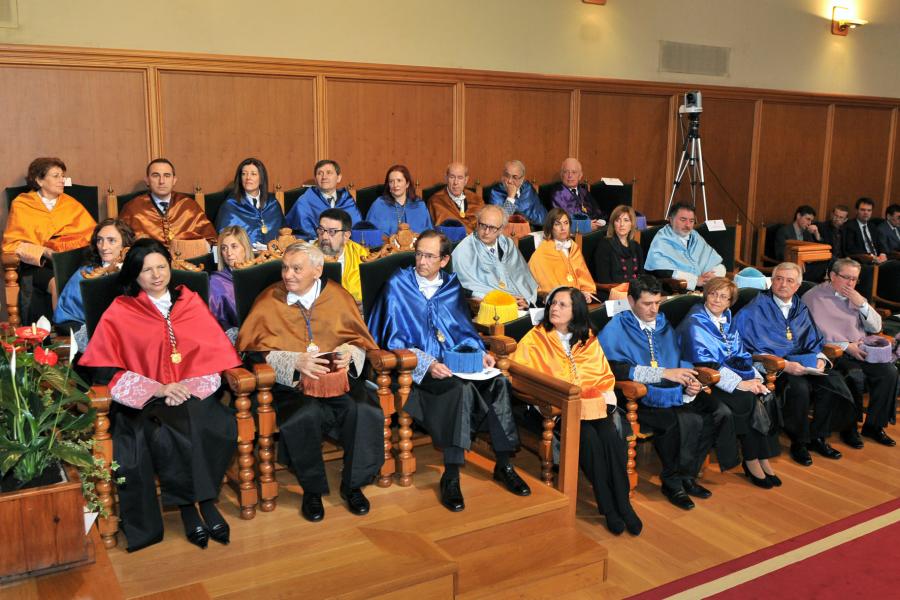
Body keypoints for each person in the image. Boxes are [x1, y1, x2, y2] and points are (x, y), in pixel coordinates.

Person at [79, 239, 241, 552]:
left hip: (191, 391)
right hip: (148, 401)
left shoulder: (190, 302)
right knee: (170, 430)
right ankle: (189, 509)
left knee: (215, 423)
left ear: (170, 267)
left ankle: (206, 502)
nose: (156, 275)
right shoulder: (122, 310)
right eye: (146, 270)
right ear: (134, 275)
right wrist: (158, 388)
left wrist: (188, 387)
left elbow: (213, 352)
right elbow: (104, 369)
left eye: (161, 267)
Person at [367, 230, 530, 512]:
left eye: (429, 256)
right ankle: (451, 475)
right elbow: (390, 339)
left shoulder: (451, 286)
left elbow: (463, 330)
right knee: (461, 390)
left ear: (444, 260)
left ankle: (504, 464)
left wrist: (480, 354)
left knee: (500, 383)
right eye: (419, 254)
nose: (421, 261)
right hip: (417, 372)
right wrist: (428, 364)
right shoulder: (398, 284)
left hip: (455, 364)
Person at [236, 242, 384, 522]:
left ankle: (353, 485)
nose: (287, 275)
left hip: (338, 381)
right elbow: (253, 350)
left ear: (317, 270)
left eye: (296, 269)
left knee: (363, 410)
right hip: (293, 386)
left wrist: (348, 354)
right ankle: (312, 490)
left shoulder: (338, 296)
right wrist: (294, 361)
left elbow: (358, 339)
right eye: (285, 268)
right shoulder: (269, 300)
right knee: (305, 415)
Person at [511, 287, 641, 535]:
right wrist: (557, 399)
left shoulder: (587, 338)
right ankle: (609, 508)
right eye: (552, 303)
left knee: (611, 437)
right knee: (589, 439)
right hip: (557, 408)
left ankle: (624, 504)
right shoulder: (535, 339)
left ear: (576, 311)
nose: (554, 308)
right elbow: (520, 375)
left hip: (592, 405)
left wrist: (599, 399)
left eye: (562, 305)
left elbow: (602, 374)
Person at [598, 275, 731, 511]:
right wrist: (662, 373)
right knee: (679, 421)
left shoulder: (662, 324)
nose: (654, 310)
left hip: (675, 389)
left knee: (719, 411)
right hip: (639, 396)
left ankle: (688, 475)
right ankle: (672, 481)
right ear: (631, 301)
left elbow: (680, 357)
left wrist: (690, 381)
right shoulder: (617, 327)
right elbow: (613, 368)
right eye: (647, 304)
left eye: (657, 303)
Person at [734, 262, 855, 467]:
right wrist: (785, 366)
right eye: (779, 279)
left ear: (797, 286)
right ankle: (799, 442)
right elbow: (743, 347)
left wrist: (820, 359)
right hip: (775, 368)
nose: (783, 284)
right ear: (771, 281)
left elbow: (813, 340)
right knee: (798, 388)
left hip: (805, 363)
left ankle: (818, 436)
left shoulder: (800, 308)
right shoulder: (754, 308)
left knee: (832, 382)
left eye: (789, 280)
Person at [678, 278, 782, 489]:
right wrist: (740, 384)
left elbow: (739, 354)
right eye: (713, 294)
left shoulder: (726, 318)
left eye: (723, 297)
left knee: (763, 394)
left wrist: (753, 378)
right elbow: (704, 363)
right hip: (703, 381)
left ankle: (761, 457)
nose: (717, 300)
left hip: (726, 377)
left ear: (730, 302)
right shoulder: (695, 321)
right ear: (706, 294)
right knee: (747, 399)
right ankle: (752, 459)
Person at [802, 258, 896, 448]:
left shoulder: (855, 297)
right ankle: (849, 428)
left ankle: (874, 426)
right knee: (855, 374)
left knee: (889, 372)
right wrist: (845, 346)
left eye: (855, 279)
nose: (851, 283)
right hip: (831, 353)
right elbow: (809, 336)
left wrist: (862, 305)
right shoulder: (813, 297)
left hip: (860, 349)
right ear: (832, 275)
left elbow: (876, 327)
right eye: (846, 278)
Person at [3, 157, 96, 322]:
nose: (62, 180)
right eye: (56, 176)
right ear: (39, 180)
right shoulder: (22, 204)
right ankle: (65, 327)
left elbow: (91, 235)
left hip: (71, 260)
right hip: (38, 264)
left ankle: (89, 328)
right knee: (58, 282)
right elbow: (12, 245)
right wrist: (44, 251)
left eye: (63, 176)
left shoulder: (71, 204)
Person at [54, 218, 135, 349]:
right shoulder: (86, 274)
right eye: (99, 240)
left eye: (111, 240)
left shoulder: (136, 270)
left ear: (125, 244)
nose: (104, 247)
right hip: (80, 324)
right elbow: (68, 313)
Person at [119, 158, 217, 253]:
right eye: (155, 175)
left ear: (174, 180)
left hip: (188, 260)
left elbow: (211, 240)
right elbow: (122, 244)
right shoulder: (133, 209)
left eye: (167, 175)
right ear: (147, 180)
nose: (161, 181)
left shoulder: (189, 206)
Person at [451, 205, 538, 309]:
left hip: (519, 305)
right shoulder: (464, 249)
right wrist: (503, 299)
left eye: (492, 228)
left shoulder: (508, 244)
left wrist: (525, 301)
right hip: (487, 306)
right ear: (477, 223)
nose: (486, 232)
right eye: (483, 225)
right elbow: (466, 289)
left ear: (501, 229)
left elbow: (522, 278)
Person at [644, 202, 725, 291]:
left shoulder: (695, 236)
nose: (688, 225)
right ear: (671, 220)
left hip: (706, 287)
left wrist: (713, 276)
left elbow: (716, 262)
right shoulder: (662, 239)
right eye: (683, 220)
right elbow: (661, 271)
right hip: (677, 290)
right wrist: (694, 280)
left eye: (691, 221)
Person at [528, 208, 596, 303]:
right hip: (557, 301)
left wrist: (586, 294)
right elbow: (545, 288)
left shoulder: (573, 247)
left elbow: (583, 277)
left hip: (577, 299)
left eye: (566, 223)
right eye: (557, 224)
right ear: (550, 228)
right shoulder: (541, 253)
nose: (563, 228)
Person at [215, 157, 285, 247]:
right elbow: (224, 239)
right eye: (244, 174)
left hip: (273, 253)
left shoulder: (272, 203)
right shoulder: (230, 205)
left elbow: (283, 232)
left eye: (253, 174)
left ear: (261, 178)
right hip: (245, 255)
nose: (248, 178)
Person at [284, 159, 362, 238]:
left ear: (339, 178)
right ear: (315, 179)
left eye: (329, 173)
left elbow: (357, 229)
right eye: (320, 173)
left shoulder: (347, 200)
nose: (324, 177)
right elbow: (299, 234)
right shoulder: (304, 202)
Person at [314, 208, 369, 304]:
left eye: (332, 232)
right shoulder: (306, 255)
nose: (324, 237)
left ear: (346, 236)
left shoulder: (361, 255)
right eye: (321, 230)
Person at [208, 225, 253, 340]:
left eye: (234, 246)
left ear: (245, 248)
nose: (229, 253)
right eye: (224, 248)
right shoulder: (216, 281)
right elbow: (215, 322)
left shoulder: (260, 272)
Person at [365, 164, 432, 235]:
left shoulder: (419, 205)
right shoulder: (379, 205)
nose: (395, 185)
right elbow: (369, 234)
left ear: (407, 184)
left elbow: (430, 234)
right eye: (391, 181)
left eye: (399, 180)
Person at [591, 204, 644, 285]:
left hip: (634, 289)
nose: (621, 224)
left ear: (632, 224)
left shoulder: (636, 246)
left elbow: (641, 275)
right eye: (618, 220)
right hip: (613, 290)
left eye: (626, 220)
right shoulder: (605, 245)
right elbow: (604, 280)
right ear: (613, 224)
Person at [774, 205, 827, 283]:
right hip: (792, 268)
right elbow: (780, 254)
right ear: (798, 216)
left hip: (807, 266)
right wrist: (800, 258)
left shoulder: (807, 233)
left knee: (827, 260)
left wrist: (817, 235)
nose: (809, 223)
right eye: (808, 219)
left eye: (811, 221)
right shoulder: (784, 231)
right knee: (828, 263)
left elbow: (817, 250)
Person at [428, 162, 485, 233]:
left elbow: (484, 224)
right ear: (446, 178)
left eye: (460, 178)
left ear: (466, 180)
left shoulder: (477, 200)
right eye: (452, 177)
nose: (456, 182)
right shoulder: (435, 202)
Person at [550, 158, 605, 229]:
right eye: (566, 172)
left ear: (580, 175)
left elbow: (597, 211)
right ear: (561, 175)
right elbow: (562, 221)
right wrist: (587, 226)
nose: (570, 175)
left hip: (594, 229)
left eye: (574, 172)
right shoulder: (558, 194)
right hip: (576, 232)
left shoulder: (584, 191)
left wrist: (600, 221)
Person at [488, 159, 547, 226]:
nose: (509, 181)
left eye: (514, 177)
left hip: (535, 228)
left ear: (522, 179)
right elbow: (499, 222)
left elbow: (541, 216)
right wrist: (510, 197)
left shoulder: (527, 188)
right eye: (507, 175)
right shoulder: (496, 192)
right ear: (502, 176)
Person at [843, 197, 888, 265]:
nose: (866, 213)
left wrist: (882, 253)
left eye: (869, 210)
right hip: (863, 262)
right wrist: (871, 257)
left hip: (878, 260)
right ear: (856, 211)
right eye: (863, 210)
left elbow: (880, 243)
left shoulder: (872, 226)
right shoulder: (850, 226)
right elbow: (851, 248)